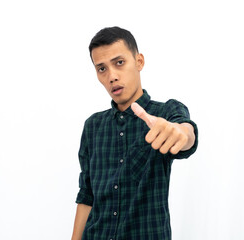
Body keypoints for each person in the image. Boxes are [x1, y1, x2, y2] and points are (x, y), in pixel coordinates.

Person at [71, 26, 198, 240]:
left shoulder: (164, 113)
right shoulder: (92, 126)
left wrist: (181, 133)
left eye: (119, 63)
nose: (111, 76)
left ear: (139, 61)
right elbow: (87, 196)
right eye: (102, 69)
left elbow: (186, 133)